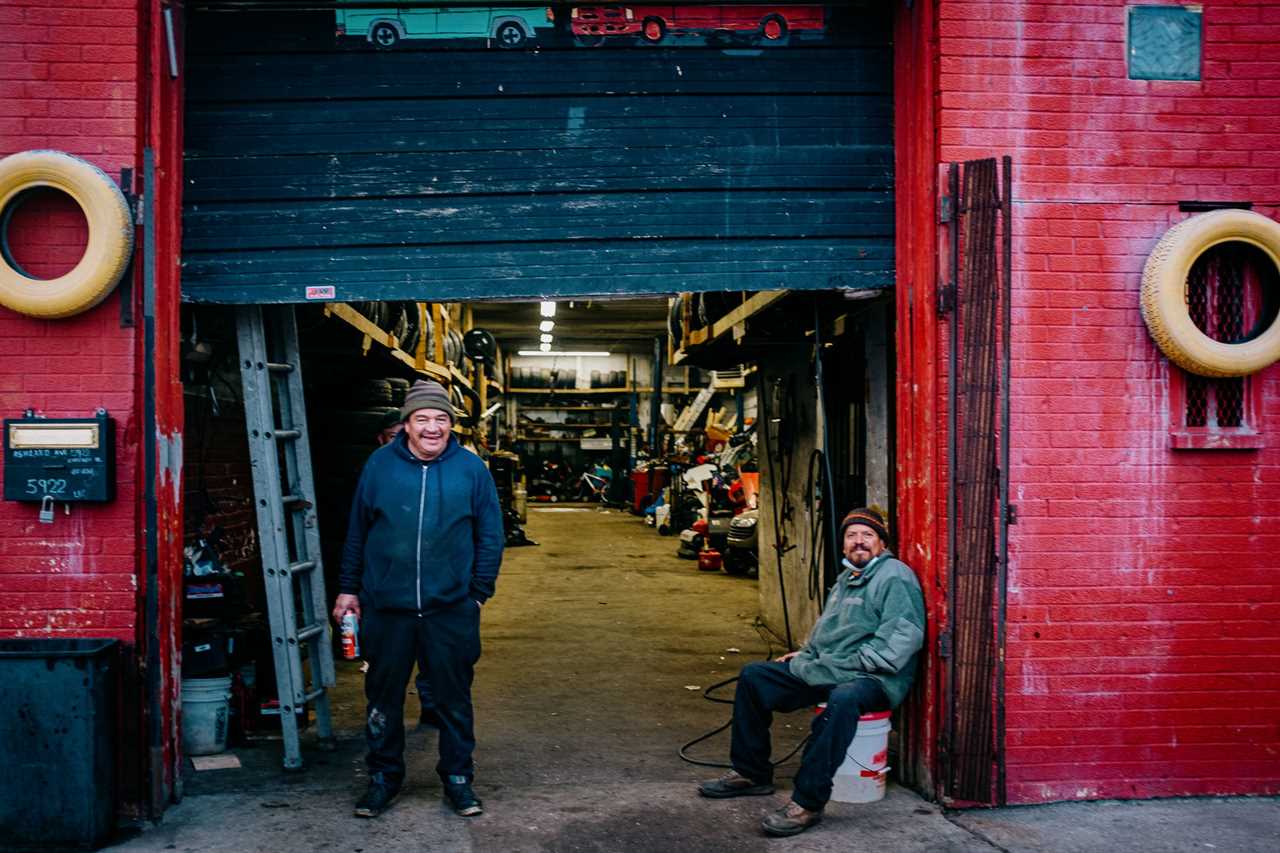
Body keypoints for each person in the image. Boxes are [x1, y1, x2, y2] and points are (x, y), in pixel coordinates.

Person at [698, 507, 925, 837]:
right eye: (851, 536)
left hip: (875, 678)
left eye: (867, 535)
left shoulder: (895, 577)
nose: (858, 542)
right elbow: (829, 631)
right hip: (831, 667)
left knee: (843, 700)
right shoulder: (847, 578)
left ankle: (808, 802)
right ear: (843, 544)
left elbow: (903, 638)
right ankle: (751, 773)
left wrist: (847, 666)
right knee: (755, 677)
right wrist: (808, 654)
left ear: (881, 543)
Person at [334, 379, 504, 819]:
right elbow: (358, 531)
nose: (432, 427)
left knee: (452, 699)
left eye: (441, 419)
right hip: (388, 609)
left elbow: (490, 535)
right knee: (383, 698)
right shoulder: (379, 466)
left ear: (451, 424)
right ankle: (383, 779)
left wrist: (478, 594)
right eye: (422, 419)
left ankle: (459, 780)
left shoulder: (471, 468)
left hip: (450, 610)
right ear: (406, 424)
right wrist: (349, 589)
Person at [372, 408, 438, 730]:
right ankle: (384, 731)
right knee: (388, 664)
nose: (402, 442)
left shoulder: (436, 471)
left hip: (433, 589)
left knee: (432, 654)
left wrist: (477, 591)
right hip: (388, 591)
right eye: (394, 436)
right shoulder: (376, 470)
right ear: (380, 438)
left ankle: (431, 703)